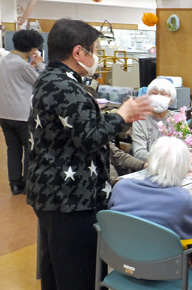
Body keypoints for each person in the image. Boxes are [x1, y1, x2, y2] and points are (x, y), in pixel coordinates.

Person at [26, 18, 152, 290]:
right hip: (71, 199)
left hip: (51, 192)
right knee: (78, 273)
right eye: (93, 50)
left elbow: (75, 127)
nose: (96, 56)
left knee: (55, 269)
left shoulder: (49, 78)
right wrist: (122, 116)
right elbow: (90, 136)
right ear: (78, 52)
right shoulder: (66, 87)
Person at [109, 136, 192, 239]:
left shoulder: (121, 188)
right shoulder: (183, 199)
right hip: (164, 254)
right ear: (184, 166)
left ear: (150, 160)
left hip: (118, 251)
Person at [0, 30, 44, 195]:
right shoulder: (22, 65)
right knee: (29, 149)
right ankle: (28, 184)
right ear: (33, 49)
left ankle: (15, 184)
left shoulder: (3, 61)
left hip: (4, 114)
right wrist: (39, 64)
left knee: (13, 149)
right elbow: (42, 81)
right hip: (22, 115)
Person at [132, 78, 176, 160]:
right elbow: (139, 152)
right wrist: (164, 158)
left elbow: (188, 144)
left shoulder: (177, 119)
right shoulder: (140, 120)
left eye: (163, 94)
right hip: (149, 166)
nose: (158, 97)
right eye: (154, 93)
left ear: (171, 100)